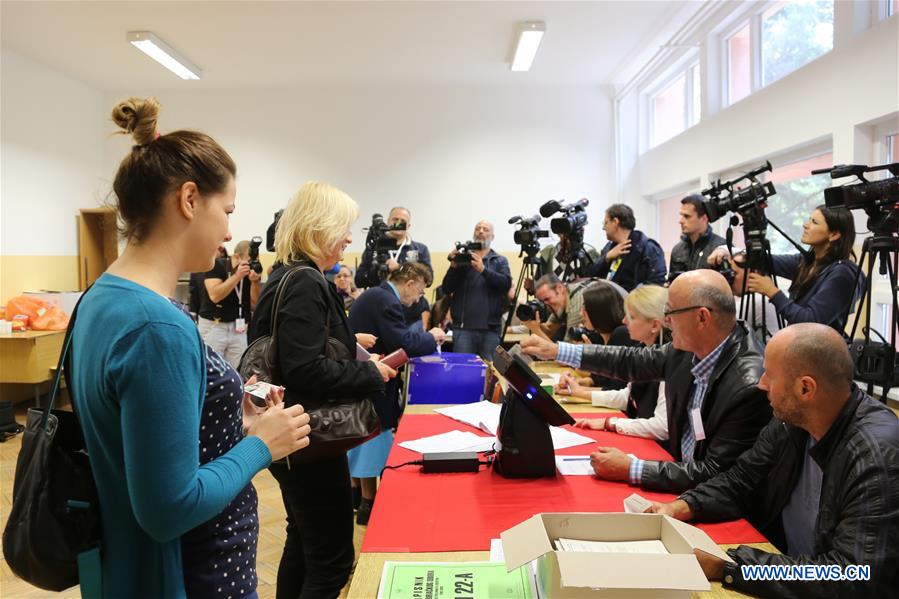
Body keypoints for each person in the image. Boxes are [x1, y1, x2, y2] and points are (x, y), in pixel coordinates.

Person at [70, 97, 311, 598]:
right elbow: (168, 508)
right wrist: (261, 445)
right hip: (189, 577)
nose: (228, 232)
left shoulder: (101, 297)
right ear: (189, 199)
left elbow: (142, 442)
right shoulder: (156, 327)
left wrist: (229, 419)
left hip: (133, 568)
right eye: (227, 211)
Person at [649, 324, 899, 598]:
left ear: (805, 388)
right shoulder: (792, 422)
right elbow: (741, 480)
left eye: (770, 374)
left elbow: (852, 576)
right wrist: (682, 506)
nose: (761, 383)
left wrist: (733, 568)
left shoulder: (874, 458)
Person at [250, 181, 396, 599]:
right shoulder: (306, 282)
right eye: (343, 228)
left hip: (294, 437)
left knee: (304, 543)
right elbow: (306, 370)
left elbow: (297, 350)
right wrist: (370, 373)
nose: (349, 238)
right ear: (320, 227)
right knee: (332, 562)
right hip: (309, 438)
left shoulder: (286, 275)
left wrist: (347, 343)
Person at [521, 269, 771, 493]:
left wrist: (633, 468)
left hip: (710, 501)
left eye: (671, 312)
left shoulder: (747, 385)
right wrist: (557, 351)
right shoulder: (691, 349)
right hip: (683, 482)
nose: (666, 320)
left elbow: (715, 473)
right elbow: (630, 361)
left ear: (702, 318)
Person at [347, 261, 446, 524]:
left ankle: (359, 498)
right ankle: (369, 505)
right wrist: (432, 336)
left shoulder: (376, 295)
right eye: (420, 292)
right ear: (411, 283)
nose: (418, 299)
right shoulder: (386, 301)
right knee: (373, 442)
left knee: (361, 443)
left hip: (361, 382)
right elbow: (404, 343)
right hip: (371, 387)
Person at [709, 205, 862, 333]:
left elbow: (810, 321)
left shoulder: (843, 273)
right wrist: (727, 250)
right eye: (809, 219)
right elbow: (764, 260)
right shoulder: (807, 262)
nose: (805, 225)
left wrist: (772, 292)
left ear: (834, 234)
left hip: (821, 353)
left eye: (814, 222)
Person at [561, 285, 670, 442]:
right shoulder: (643, 348)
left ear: (654, 325)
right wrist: (578, 392)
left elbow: (662, 427)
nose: (624, 321)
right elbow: (628, 395)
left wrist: (610, 423)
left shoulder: (668, 361)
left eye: (631, 317)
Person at [442, 220, 512, 360]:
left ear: (492, 236)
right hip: (463, 330)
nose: (481, 231)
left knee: (489, 370)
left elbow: (505, 284)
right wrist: (454, 266)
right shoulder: (463, 259)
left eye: (485, 229)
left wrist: (483, 270)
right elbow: (447, 288)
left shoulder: (499, 260)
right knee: (463, 369)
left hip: (491, 330)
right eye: (478, 229)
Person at [198, 239, 262, 367]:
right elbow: (215, 296)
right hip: (214, 325)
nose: (251, 264)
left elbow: (255, 304)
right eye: (249, 260)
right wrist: (237, 276)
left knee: (238, 368)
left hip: (239, 327)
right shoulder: (216, 265)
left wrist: (255, 282)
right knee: (211, 367)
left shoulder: (249, 272)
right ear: (237, 257)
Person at [586, 204, 667, 290]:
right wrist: (606, 257)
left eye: (606, 223)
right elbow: (591, 275)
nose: (603, 228)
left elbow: (656, 285)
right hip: (608, 296)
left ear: (615, 222)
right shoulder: (609, 247)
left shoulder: (648, 248)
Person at [526, 274, 626, 342]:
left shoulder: (578, 302)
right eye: (542, 301)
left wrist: (536, 330)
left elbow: (565, 353)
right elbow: (550, 329)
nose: (546, 305)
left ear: (560, 288)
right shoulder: (564, 297)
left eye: (547, 299)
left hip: (623, 335)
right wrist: (531, 323)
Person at [355, 206, 432, 289]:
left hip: (409, 296)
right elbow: (359, 281)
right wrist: (377, 270)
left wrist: (400, 268)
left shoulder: (420, 249)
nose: (398, 224)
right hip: (380, 295)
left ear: (408, 226)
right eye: (395, 220)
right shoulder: (374, 247)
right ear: (388, 222)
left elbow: (429, 280)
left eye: (403, 221)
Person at [668, 194, 726, 278]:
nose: (681, 221)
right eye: (681, 215)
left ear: (704, 219)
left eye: (687, 216)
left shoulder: (721, 249)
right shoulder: (677, 250)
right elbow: (673, 282)